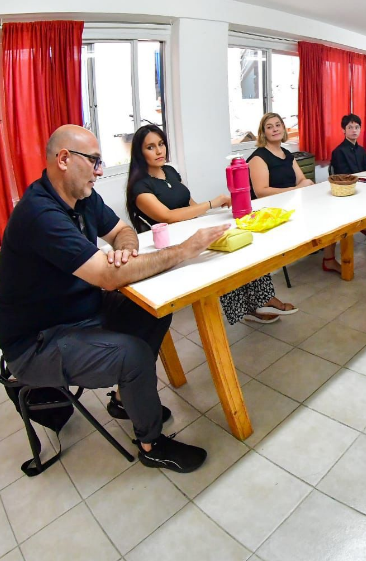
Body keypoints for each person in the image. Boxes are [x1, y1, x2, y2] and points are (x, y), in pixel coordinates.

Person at [0, 125, 230, 473]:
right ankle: (151, 445)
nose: (99, 170)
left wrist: (124, 251)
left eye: (100, 160)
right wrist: (185, 250)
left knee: (155, 309)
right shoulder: (40, 214)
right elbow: (107, 277)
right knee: (132, 354)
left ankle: (124, 399)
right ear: (63, 159)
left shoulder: (84, 198)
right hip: (37, 342)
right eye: (93, 161)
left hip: (81, 311)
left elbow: (123, 230)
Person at [126, 124, 296, 325]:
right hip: (173, 244)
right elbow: (168, 216)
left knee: (241, 238)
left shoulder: (170, 172)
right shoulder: (140, 186)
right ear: (139, 152)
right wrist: (211, 203)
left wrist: (219, 211)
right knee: (224, 254)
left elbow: (191, 206)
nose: (159, 151)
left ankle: (260, 299)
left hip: (192, 230)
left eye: (161, 144)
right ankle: (246, 309)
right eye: (151, 147)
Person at [247, 113, 326, 271]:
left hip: (290, 202)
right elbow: (261, 192)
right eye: (269, 127)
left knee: (325, 208)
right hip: (270, 210)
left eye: (278, 125)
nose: (275, 129)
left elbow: (302, 180)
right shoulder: (258, 158)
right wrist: (295, 189)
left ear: (283, 128)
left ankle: (327, 255)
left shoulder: (287, 154)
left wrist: (303, 185)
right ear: (263, 133)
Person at [326, 113, 366, 261]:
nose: (354, 130)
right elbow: (343, 176)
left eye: (357, 127)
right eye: (350, 127)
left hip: (363, 188)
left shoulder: (361, 150)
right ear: (343, 130)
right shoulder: (338, 151)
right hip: (348, 191)